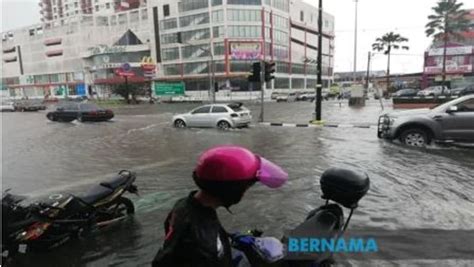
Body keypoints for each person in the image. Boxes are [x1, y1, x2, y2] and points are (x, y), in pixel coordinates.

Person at [152, 145, 288, 267]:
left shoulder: (184, 205)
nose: (246, 192)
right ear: (232, 191)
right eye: (246, 188)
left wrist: (226, 237)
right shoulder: (208, 245)